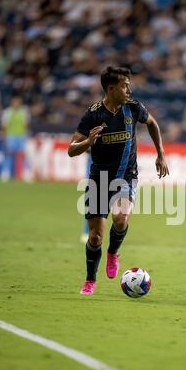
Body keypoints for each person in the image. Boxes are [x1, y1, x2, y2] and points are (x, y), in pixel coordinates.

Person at [68, 66, 169, 295]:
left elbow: (152, 123)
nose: (129, 89)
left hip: (127, 175)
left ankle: (113, 253)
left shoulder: (133, 108)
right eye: (125, 85)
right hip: (99, 179)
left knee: (121, 218)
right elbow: (71, 150)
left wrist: (160, 153)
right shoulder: (93, 114)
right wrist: (88, 143)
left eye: (129, 84)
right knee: (95, 237)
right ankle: (90, 280)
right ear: (111, 88)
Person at [0, 95, 30, 181]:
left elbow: (26, 125)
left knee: (23, 155)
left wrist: (26, 135)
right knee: (8, 154)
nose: (16, 103)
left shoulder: (24, 112)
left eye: (18, 102)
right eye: (15, 101)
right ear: (12, 102)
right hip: (11, 136)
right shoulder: (7, 112)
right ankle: (5, 173)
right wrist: (5, 136)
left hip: (21, 136)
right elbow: (4, 126)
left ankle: (26, 173)